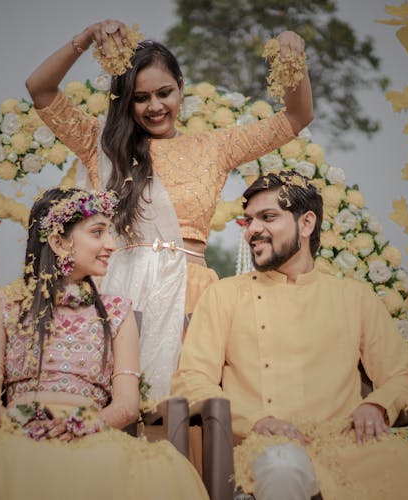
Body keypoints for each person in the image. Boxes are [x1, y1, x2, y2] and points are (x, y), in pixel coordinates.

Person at [25, 20, 313, 400]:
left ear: (181, 87)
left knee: (186, 406)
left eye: (164, 93)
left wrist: (293, 58)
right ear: (125, 101)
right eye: (141, 98)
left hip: (191, 295)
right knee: (117, 401)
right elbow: (40, 89)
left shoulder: (216, 146)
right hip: (116, 292)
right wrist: (84, 39)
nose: (155, 106)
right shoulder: (102, 145)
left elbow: (297, 116)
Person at [171, 172, 408, 499]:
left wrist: (377, 405)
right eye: (248, 221)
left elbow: (400, 377)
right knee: (284, 467)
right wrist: (255, 421)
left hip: (350, 446)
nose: (253, 230)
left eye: (268, 217)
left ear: (306, 224)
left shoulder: (355, 298)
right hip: (267, 448)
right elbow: (191, 379)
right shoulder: (223, 296)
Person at [0, 187, 208, 500]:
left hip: (92, 436)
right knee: (17, 461)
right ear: (57, 242)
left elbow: (126, 405)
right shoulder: (7, 305)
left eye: (109, 233)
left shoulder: (118, 312)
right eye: (97, 233)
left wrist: (82, 424)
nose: (110, 245)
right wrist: (25, 423)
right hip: (18, 436)